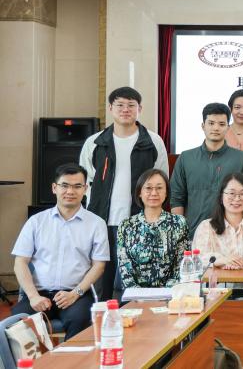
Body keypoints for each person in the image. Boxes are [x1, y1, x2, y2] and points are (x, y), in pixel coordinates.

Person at [79, 86, 168, 299]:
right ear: (110, 108)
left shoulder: (153, 141)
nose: (125, 109)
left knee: (135, 280)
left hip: (140, 221)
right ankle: (102, 316)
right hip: (102, 221)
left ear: (139, 109)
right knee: (102, 278)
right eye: (120, 105)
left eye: (131, 105)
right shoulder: (95, 142)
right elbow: (84, 182)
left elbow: (161, 179)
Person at [11, 164, 109, 340]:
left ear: (85, 189)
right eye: (64, 185)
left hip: (77, 294)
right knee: (16, 322)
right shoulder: (36, 222)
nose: (70, 191)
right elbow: (20, 262)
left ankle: (71, 358)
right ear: (54, 188)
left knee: (79, 320)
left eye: (77, 186)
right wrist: (33, 296)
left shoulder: (96, 224)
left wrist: (75, 293)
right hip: (39, 294)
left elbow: (99, 265)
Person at [171, 103, 243, 236]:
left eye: (221, 124)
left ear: (228, 127)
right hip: (193, 233)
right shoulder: (186, 158)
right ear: (203, 126)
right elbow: (176, 197)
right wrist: (180, 233)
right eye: (211, 123)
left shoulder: (241, 159)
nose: (216, 128)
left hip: (231, 235)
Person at [117, 169, 188, 288]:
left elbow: (181, 264)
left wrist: (164, 293)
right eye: (148, 188)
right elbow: (124, 267)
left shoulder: (178, 223)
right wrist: (139, 295)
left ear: (166, 192)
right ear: (139, 192)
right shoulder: (126, 226)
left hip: (170, 294)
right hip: (135, 295)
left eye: (159, 188)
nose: (154, 193)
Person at [192, 173, 243, 269]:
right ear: (221, 197)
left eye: (242, 194)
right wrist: (224, 260)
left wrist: (242, 262)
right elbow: (199, 256)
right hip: (216, 279)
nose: (237, 198)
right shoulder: (206, 226)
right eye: (232, 193)